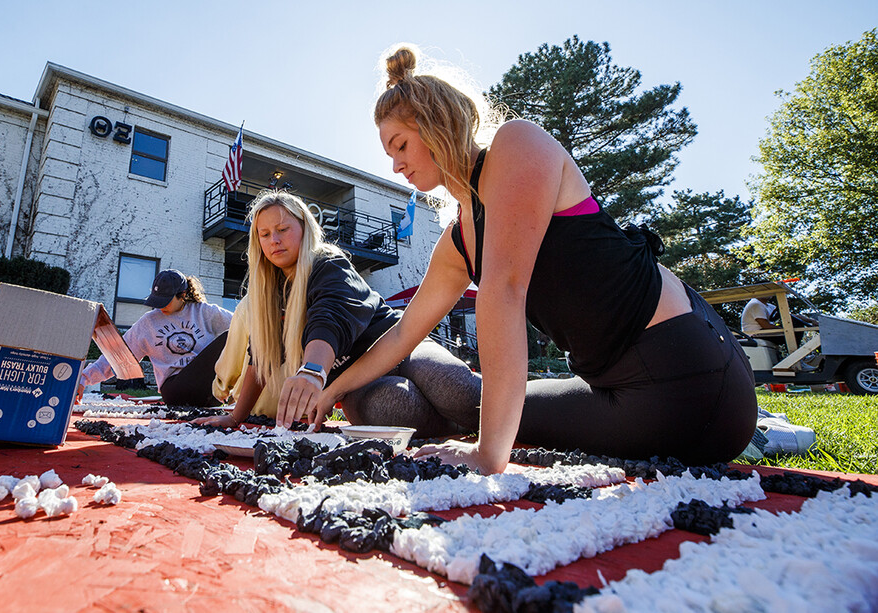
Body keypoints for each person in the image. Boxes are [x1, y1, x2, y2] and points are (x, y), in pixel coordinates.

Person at [302, 44, 757, 473]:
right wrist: (333, 389)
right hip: (613, 391)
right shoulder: (458, 240)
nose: (396, 166)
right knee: (489, 408)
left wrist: (486, 457)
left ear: (437, 123)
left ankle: (769, 433)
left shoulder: (517, 146)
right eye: (389, 153)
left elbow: (503, 290)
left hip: (689, 373)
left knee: (496, 427)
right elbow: (403, 333)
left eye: (400, 145)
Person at [194, 190, 481, 435]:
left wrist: (312, 370)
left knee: (454, 388)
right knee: (395, 407)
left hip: (398, 347)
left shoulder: (328, 262)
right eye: (265, 234)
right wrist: (234, 417)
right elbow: (260, 360)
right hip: (350, 383)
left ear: (304, 228)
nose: (274, 240)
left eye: (283, 229)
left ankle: (496, 413)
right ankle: (454, 429)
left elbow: (328, 318)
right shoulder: (268, 297)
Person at [79, 269, 232, 407]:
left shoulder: (204, 312)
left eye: (166, 301)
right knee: (233, 336)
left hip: (209, 391)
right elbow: (117, 355)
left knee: (239, 333)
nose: (160, 306)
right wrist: (83, 380)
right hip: (176, 389)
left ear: (183, 295)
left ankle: (243, 396)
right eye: (157, 301)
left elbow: (244, 325)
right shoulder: (149, 322)